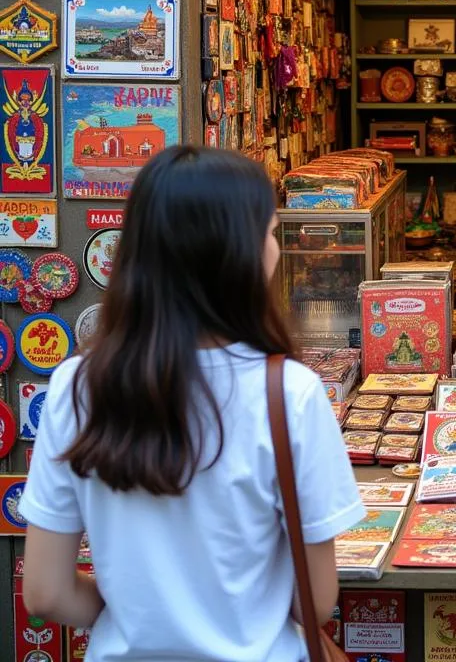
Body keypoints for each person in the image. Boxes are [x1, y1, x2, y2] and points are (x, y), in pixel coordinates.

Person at [20, 146, 365, 661]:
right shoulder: (288, 393)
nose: (276, 249)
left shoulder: (76, 386)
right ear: (237, 252)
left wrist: (136, 620)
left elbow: (45, 592)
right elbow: (314, 601)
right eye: (270, 233)